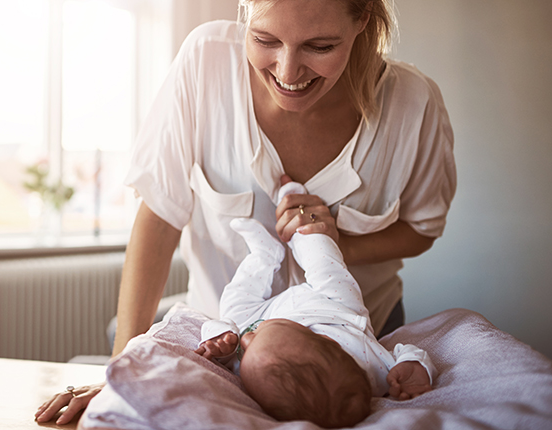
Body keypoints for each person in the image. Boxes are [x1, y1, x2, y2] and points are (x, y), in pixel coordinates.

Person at [36, 0, 454, 424]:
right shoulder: (205, 62)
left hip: (358, 350)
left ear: (362, 18)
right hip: (221, 344)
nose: (288, 73)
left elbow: (421, 229)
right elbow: (159, 219)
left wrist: (341, 242)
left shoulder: (413, 104)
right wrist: (122, 370)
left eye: (320, 46)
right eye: (264, 39)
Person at [193, 180, 435, 428]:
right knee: (324, 262)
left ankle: (263, 256)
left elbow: (226, 348)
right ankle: (300, 217)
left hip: (268, 314)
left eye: (246, 351)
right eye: (255, 338)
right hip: (335, 309)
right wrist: (415, 368)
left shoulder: (258, 370)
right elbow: (405, 354)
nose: (247, 339)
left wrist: (219, 342)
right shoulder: (375, 371)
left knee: (232, 308)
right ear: (326, 340)